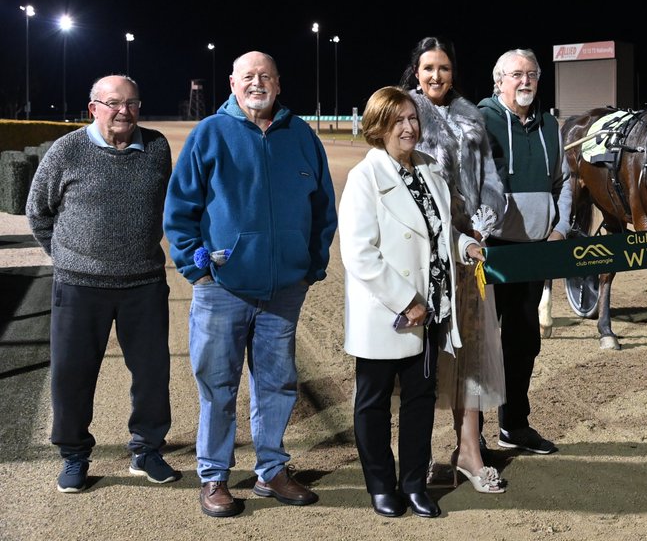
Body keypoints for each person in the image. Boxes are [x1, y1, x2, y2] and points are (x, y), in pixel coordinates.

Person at [164, 51, 338, 518]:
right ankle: (214, 476)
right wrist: (195, 267)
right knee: (219, 386)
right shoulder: (209, 134)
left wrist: (311, 265)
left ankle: (271, 470)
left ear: (278, 84)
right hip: (222, 288)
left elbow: (324, 208)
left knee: (277, 384)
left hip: (283, 291)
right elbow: (180, 210)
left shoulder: (300, 136)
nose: (257, 83)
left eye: (265, 76)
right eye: (248, 77)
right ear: (232, 84)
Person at [26, 75, 180, 493]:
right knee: (72, 375)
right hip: (79, 286)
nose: (123, 111)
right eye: (113, 103)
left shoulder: (157, 147)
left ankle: (146, 450)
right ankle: (75, 456)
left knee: (152, 374)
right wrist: (68, 258)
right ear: (93, 107)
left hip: (144, 283)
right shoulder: (67, 150)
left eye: (131, 103)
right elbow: (38, 211)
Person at [340, 86, 485, 518]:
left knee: (420, 401)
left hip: (432, 310)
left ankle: (414, 483)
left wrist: (465, 247)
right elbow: (359, 253)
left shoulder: (428, 169)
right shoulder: (366, 178)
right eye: (398, 120)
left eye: (412, 119)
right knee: (374, 402)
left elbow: (437, 231)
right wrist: (407, 300)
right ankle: (382, 485)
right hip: (389, 313)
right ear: (378, 127)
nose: (409, 127)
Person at [402, 37, 508, 493]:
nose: (436, 76)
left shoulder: (471, 117)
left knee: (470, 354)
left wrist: (488, 216)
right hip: (424, 252)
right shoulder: (405, 115)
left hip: (470, 255)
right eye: (428, 68)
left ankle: (468, 450)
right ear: (416, 72)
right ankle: (420, 456)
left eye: (443, 68)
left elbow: (489, 180)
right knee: (424, 358)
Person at [477, 48, 572, 456]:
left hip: (534, 251)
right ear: (499, 81)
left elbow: (564, 181)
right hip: (491, 252)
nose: (526, 81)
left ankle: (514, 425)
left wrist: (561, 226)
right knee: (479, 348)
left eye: (532, 74)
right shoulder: (482, 120)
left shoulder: (551, 124)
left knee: (523, 343)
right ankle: (471, 438)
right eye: (517, 74)